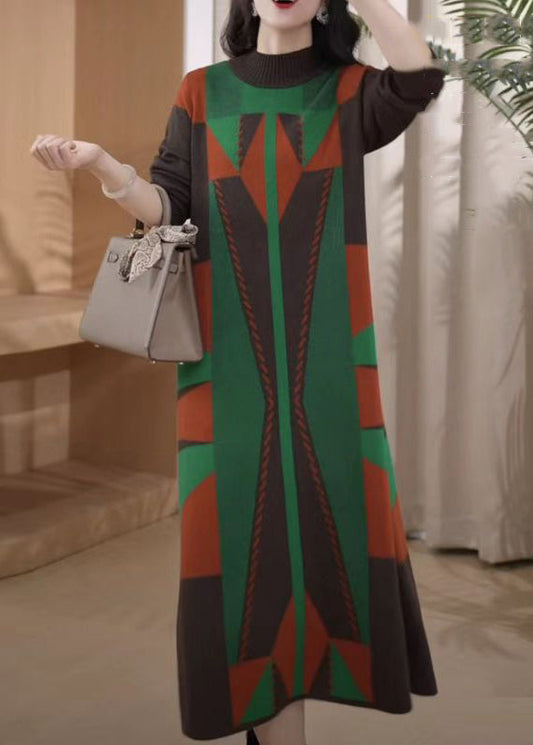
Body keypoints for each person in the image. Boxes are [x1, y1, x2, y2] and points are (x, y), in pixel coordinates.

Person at [30, 1, 446, 743]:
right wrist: (101, 166)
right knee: (240, 549)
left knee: (327, 540)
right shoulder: (202, 90)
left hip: (329, 370)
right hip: (223, 368)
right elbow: (168, 206)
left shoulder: (350, 93)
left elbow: (416, 78)